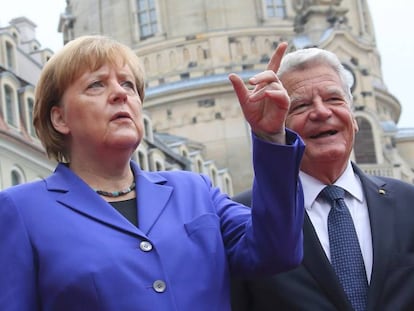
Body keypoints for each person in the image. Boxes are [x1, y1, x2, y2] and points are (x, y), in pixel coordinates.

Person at [0, 36, 305, 311]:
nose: (120, 94)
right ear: (60, 118)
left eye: (128, 84)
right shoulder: (21, 211)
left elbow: (278, 252)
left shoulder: (194, 190)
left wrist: (270, 138)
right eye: (97, 84)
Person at [231, 47, 414, 311]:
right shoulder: (242, 216)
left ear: (354, 117)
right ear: (277, 124)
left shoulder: (408, 203)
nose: (320, 112)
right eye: (301, 105)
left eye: (333, 99)